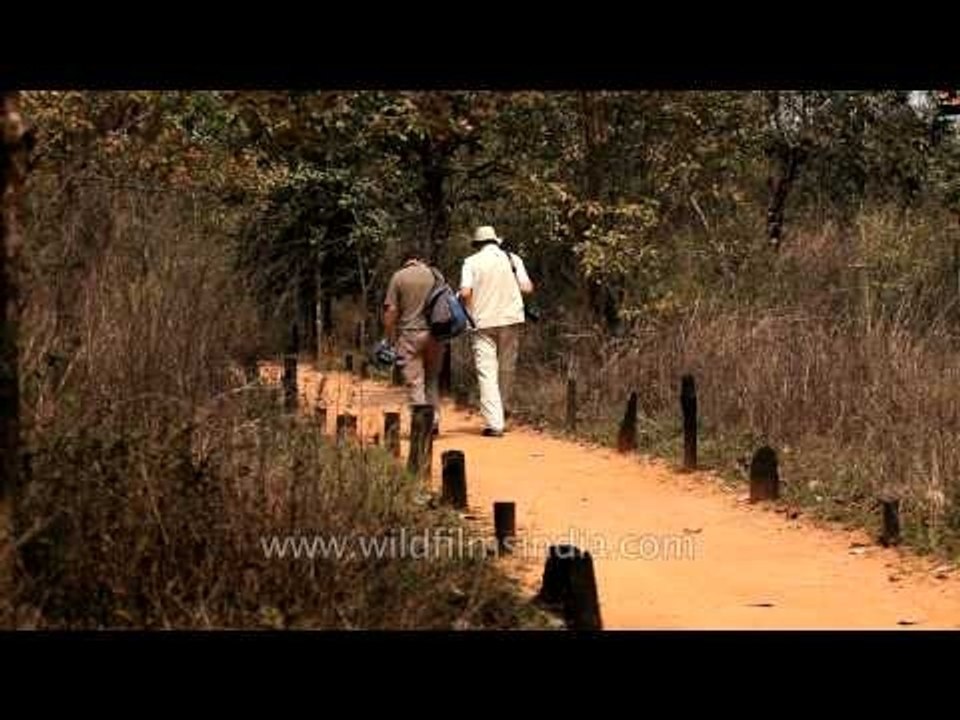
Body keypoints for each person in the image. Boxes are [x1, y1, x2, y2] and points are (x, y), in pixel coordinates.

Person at [458, 225, 534, 437]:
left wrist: (466, 304)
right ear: (495, 241)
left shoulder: (471, 262)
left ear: (477, 244)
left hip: (482, 322)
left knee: (487, 372)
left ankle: (495, 423)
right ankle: (504, 409)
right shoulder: (513, 259)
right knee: (507, 368)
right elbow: (527, 287)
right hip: (511, 319)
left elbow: (465, 292)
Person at [383, 250, 444, 434]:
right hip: (436, 334)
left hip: (409, 334)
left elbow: (391, 310)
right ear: (419, 259)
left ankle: (422, 424)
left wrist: (389, 336)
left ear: (405, 261)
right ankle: (434, 420)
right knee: (432, 379)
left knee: (415, 381)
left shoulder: (399, 277)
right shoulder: (435, 275)